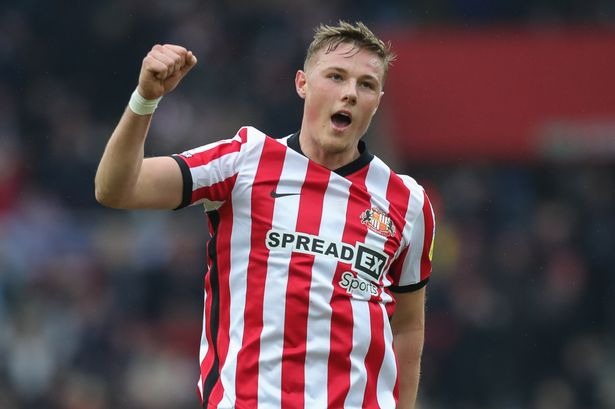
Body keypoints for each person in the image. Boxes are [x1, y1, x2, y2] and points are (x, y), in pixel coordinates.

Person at [95, 20, 435, 409]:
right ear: (302, 84)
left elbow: (407, 327)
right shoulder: (245, 160)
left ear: (377, 100)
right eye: (336, 77)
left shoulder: (407, 201)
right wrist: (144, 99)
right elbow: (115, 189)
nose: (350, 93)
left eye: (366, 85)